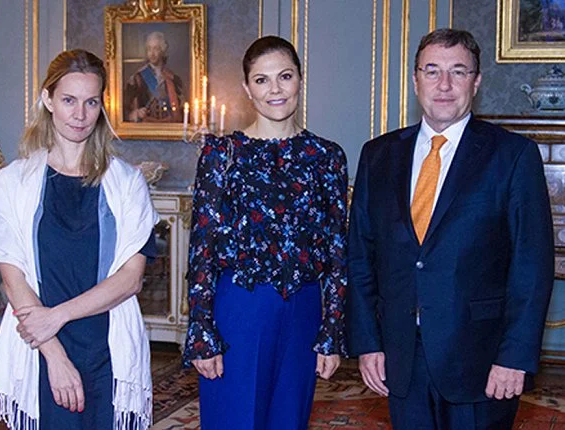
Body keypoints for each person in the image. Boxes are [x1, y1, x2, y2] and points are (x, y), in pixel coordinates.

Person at [346, 28, 554, 429]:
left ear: (476, 82)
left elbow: (532, 267)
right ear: (415, 79)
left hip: (480, 362)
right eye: (432, 71)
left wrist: (514, 356)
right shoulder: (378, 155)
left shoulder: (513, 156)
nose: (444, 85)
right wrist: (368, 343)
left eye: (458, 72)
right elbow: (360, 257)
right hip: (401, 358)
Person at [0, 49, 158, 429]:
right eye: (68, 100)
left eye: (91, 102)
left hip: (106, 347)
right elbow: (14, 281)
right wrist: (54, 355)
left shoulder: (127, 183)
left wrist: (56, 317)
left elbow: (131, 279)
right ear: (48, 100)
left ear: (101, 105)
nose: (80, 114)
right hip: (41, 348)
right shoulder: (13, 183)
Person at [182, 35, 348, 429]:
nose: (275, 89)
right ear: (246, 88)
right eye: (261, 80)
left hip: (304, 310)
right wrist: (202, 329)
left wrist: (333, 329)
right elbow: (201, 247)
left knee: (288, 421)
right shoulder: (222, 154)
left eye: (285, 76)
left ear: (300, 80)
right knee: (235, 419)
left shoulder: (327, 157)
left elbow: (338, 248)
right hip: (239, 309)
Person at [124, 31, 184, 123]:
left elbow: (182, 109)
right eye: (149, 49)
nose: (152, 53)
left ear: (162, 51)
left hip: (169, 129)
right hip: (145, 129)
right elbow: (124, 110)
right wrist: (136, 113)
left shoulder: (173, 79)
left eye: (156, 49)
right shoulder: (137, 78)